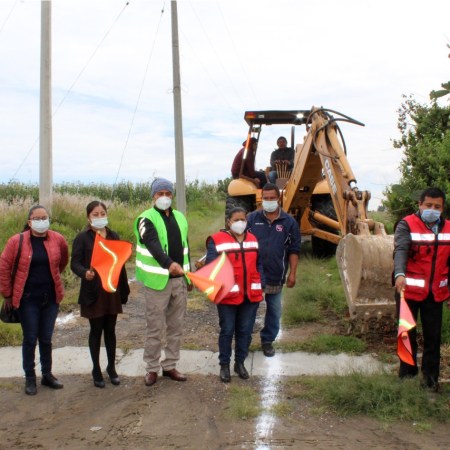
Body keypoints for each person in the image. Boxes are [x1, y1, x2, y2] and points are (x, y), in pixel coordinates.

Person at [0, 205, 69, 395]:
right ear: (29, 222)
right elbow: (4, 267)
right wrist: (7, 294)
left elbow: (63, 261)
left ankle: (47, 374)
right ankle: (30, 378)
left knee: (46, 338)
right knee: (30, 338)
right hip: (27, 299)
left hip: (51, 298)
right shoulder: (17, 241)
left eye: (44, 218)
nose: (41, 221)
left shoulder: (58, 239)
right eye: (37, 218)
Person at [134, 178, 192, 387]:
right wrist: (169, 264)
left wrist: (188, 275)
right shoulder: (145, 219)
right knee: (155, 328)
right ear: (153, 196)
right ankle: (151, 368)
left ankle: (170, 365)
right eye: (160, 194)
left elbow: (185, 247)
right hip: (157, 282)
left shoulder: (180, 217)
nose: (165, 197)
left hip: (179, 281)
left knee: (176, 326)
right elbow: (152, 244)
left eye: (168, 193)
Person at [393, 187, 450, 392]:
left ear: (443, 208)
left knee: (433, 338)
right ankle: (407, 378)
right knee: (407, 336)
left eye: (437, 206)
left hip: (435, 293)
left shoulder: (448, 228)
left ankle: (430, 381)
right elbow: (401, 250)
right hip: (407, 291)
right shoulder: (407, 224)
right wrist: (399, 273)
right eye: (428, 205)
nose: (432, 210)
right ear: (420, 204)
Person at [71, 201, 130, 388]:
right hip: (93, 291)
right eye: (95, 214)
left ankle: (111, 368)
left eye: (102, 213)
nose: (99, 217)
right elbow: (75, 263)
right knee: (96, 331)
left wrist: (124, 289)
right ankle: (96, 369)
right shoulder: (82, 238)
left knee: (110, 330)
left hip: (111, 289)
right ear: (88, 217)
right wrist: (84, 273)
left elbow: (120, 264)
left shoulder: (113, 236)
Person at [206, 207, 264, 382]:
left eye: (243, 219)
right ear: (228, 222)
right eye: (236, 220)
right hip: (227, 296)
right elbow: (211, 266)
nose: (240, 223)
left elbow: (259, 263)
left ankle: (240, 363)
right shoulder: (217, 240)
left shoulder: (253, 239)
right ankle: (224, 365)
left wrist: (260, 282)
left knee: (245, 331)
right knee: (227, 331)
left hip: (250, 295)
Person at [246, 183, 301, 357]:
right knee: (249, 311)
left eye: (272, 198)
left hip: (276, 274)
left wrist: (292, 273)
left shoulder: (289, 222)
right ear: (261, 199)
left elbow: (294, 250)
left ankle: (267, 340)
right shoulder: (251, 219)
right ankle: (244, 342)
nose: (269, 201)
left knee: (274, 311)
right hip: (254, 275)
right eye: (266, 198)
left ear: (279, 199)